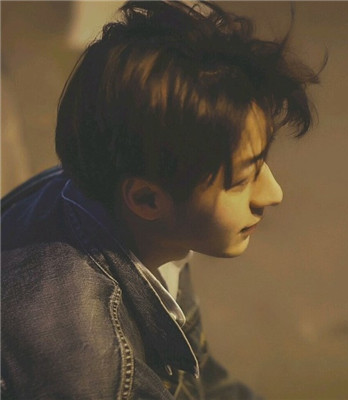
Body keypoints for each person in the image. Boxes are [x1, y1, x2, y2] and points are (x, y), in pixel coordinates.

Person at [1, 1, 323, 399]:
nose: (273, 194)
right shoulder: (98, 376)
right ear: (146, 200)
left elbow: (204, 381)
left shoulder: (125, 204)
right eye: (241, 180)